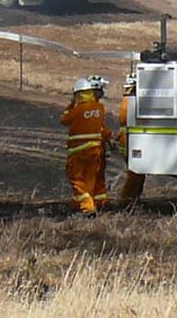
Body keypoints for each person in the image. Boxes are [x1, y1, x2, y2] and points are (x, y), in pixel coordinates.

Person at [60, 76, 115, 214]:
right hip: (95, 149)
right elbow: (101, 128)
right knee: (91, 178)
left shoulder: (77, 110)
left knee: (77, 178)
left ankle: (87, 206)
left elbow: (64, 120)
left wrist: (71, 104)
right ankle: (80, 203)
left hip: (78, 150)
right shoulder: (100, 108)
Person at [114, 78, 143, 206]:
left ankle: (131, 200)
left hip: (126, 139)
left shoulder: (127, 100)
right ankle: (127, 200)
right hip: (128, 140)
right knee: (134, 173)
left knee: (135, 173)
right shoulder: (129, 101)